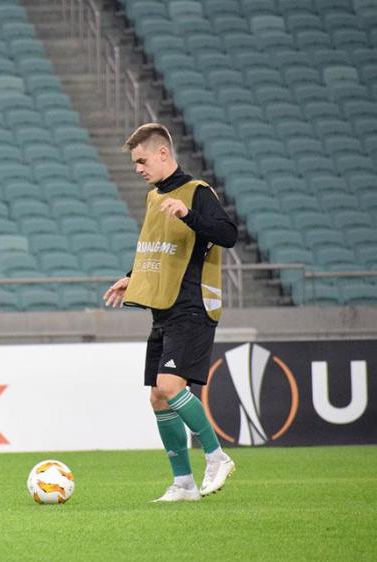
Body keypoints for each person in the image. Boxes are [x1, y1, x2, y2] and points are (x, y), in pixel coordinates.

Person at [103, 123, 238, 502]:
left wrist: (188, 214)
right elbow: (156, 248)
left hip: (192, 305)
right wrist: (132, 277)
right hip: (163, 307)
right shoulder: (154, 198)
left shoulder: (196, 192)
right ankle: (184, 484)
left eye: (142, 160)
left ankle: (217, 456)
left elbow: (228, 235)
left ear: (163, 153)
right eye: (135, 163)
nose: (138, 168)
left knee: (169, 386)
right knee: (158, 398)